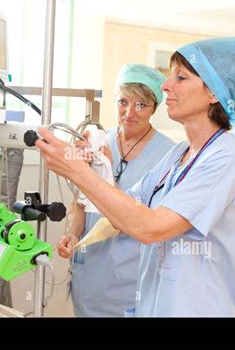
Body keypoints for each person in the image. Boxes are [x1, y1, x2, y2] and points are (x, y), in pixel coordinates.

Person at [37, 37, 235, 316]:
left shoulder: (227, 159)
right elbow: (120, 216)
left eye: (180, 77)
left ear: (214, 92)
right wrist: (96, 167)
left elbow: (150, 227)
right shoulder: (178, 156)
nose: (166, 86)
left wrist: (76, 171)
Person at [58, 64, 175, 317]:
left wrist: (107, 170)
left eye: (141, 105)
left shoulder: (169, 154)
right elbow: (81, 199)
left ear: (154, 107)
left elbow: (148, 220)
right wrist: (73, 235)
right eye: (123, 102)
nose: (129, 112)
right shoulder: (97, 140)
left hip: (130, 276)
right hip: (89, 274)